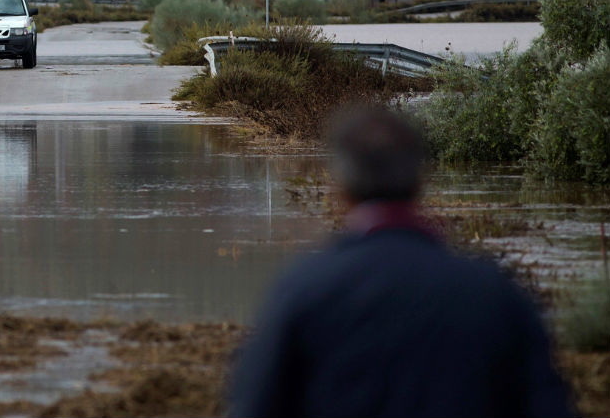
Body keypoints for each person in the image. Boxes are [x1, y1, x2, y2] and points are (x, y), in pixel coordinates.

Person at [229, 106, 575, 418]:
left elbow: (257, 403)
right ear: (420, 182)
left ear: (340, 190)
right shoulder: (496, 292)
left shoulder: (301, 289)